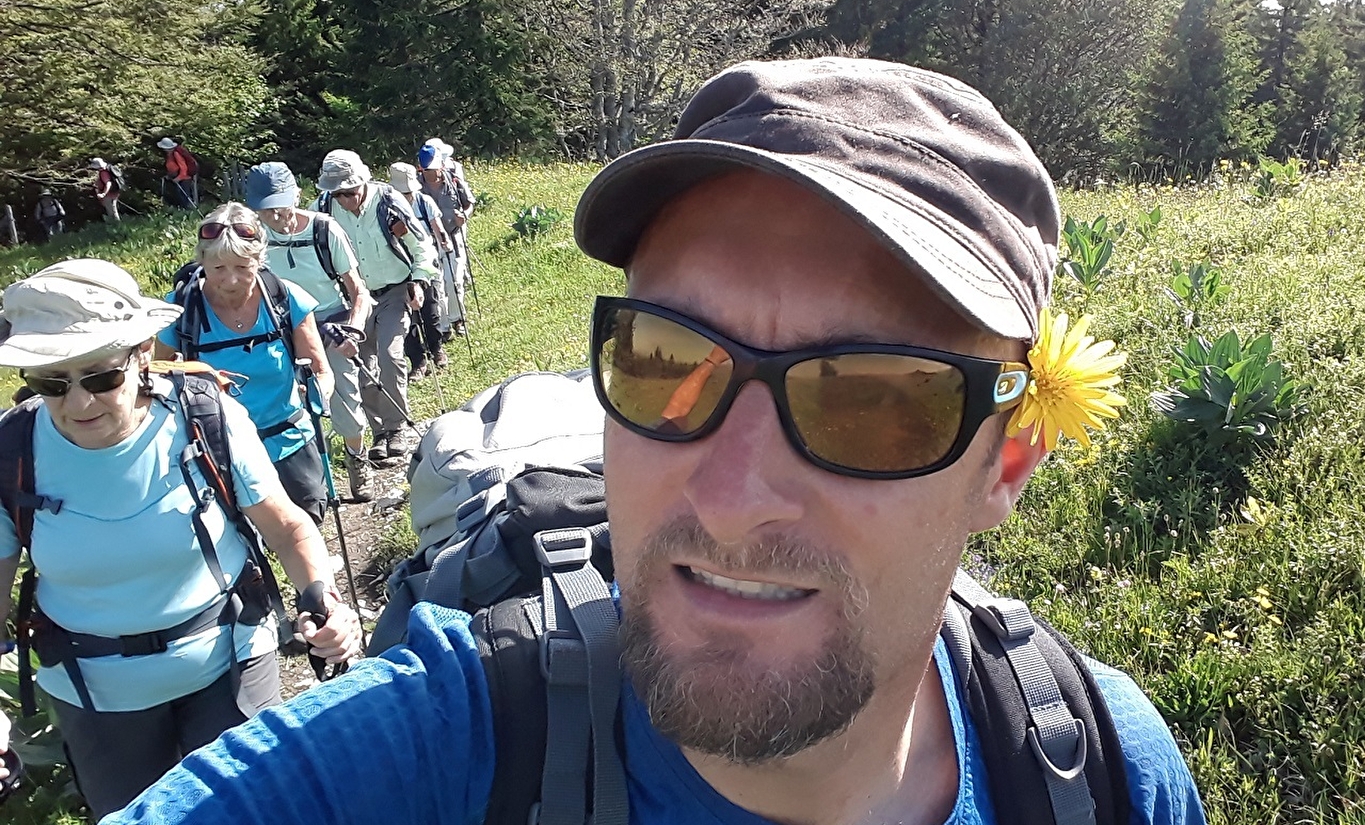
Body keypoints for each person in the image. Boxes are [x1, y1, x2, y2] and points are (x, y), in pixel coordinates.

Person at [103, 58, 1205, 825]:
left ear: (1005, 461)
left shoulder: (1101, 775)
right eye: (669, 363)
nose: (731, 499)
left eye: (870, 401)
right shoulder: (446, 747)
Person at [0, 259, 361, 820]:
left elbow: (288, 526)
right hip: (94, 694)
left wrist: (324, 600)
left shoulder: (203, 416)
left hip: (231, 660)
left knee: (255, 811)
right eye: (51, 383)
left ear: (142, 353)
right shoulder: (13, 451)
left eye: (100, 377)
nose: (79, 403)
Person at [155, 204, 336, 526]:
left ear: (259, 259)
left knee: (307, 522)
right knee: (244, 537)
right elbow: (155, 375)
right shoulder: (180, 310)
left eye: (242, 266)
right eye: (218, 268)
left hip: (289, 436)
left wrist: (317, 394)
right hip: (220, 446)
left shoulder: (285, 299)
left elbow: (321, 370)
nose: (231, 280)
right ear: (202, 261)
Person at [245, 162, 377, 502]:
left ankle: (356, 459)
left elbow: (358, 290)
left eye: (280, 205)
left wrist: (353, 330)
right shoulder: (253, 238)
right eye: (265, 209)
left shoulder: (324, 229)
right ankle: (306, 477)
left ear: (297, 196)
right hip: (280, 327)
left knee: (346, 404)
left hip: (331, 323)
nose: (274, 216)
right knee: (289, 405)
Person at [313, 150, 437, 467]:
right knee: (362, 363)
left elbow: (420, 244)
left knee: (391, 354)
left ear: (363, 184)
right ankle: (380, 433)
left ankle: (396, 428)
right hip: (353, 298)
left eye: (349, 192)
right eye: (337, 193)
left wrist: (420, 280)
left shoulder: (388, 201)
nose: (344, 199)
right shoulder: (323, 210)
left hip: (394, 289)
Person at [391, 162, 450, 377]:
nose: (406, 196)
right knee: (408, 318)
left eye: (408, 191)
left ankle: (437, 350)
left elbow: (438, 228)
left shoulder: (424, 202)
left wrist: (444, 242)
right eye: (402, 192)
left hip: (426, 263)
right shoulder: (386, 210)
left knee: (430, 311)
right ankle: (418, 361)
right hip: (400, 268)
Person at [418, 139, 473, 336]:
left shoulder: (454, 180)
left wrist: (464, 216)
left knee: (454, 281)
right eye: (427, 170)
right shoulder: (415, 188)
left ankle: (458, 318)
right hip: (429, 243)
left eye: (433, 168)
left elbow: (469, 203)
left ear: (441, 164)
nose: (431, 173)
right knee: (437, 284)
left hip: (454, 237)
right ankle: (443, 325)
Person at [157, 137, 199, 209]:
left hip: (185, 177)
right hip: (178, 176)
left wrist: (179, 178)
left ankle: (189, 210)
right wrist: (169, 175)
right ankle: (184, 210)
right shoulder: (170, 154)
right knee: (180, 194)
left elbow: (184, 168)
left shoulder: (176, 154)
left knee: (184, 195)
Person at [91, 158, 122, 222]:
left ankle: (116, 227)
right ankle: (117, 227)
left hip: (109, 195)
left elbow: (108, 183)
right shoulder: (108, 168)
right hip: (114, 193)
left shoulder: (103, 173)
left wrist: (103, 194)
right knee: (113, 210)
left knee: (112, 212)